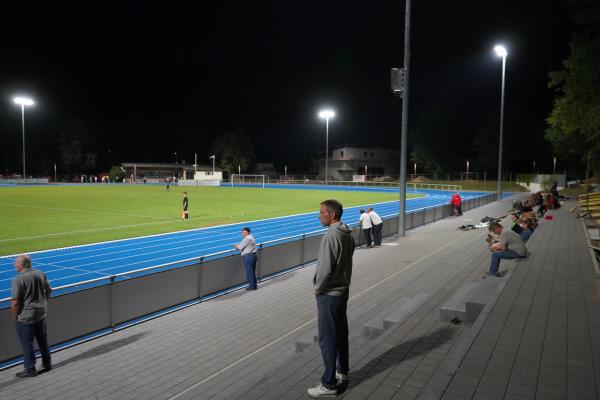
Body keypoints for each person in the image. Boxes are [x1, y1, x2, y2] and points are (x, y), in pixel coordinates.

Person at [308, 199, 354, 398]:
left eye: (321, 212)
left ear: (332, 215)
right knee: (341, 333)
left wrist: (318, 289)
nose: (319, 216)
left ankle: (328, 384)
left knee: (328, 339)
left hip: (329, 294)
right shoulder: (347, 235)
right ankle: (342, 373)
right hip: (342, 292)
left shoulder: (330, 236)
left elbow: (325, 270)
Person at [11, 255, 52, 378]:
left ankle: (30, 369)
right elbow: (49, 290)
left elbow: (16, 302)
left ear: (22, 265)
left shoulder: (18, 279)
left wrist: (15, 317)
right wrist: (43, 304)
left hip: (26, 317)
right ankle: (47, 364)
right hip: (41, 313)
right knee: (43, 340)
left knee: (27, 344)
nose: (14, 265)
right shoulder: (40, 273)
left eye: (16, 263)